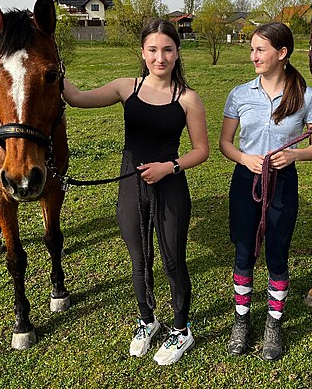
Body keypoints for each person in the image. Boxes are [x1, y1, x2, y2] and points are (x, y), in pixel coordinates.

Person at [62, 19, 209, 366]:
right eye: (153, 50)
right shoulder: (126, 87)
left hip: (170, 186)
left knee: (173, 261)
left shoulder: (188, 99)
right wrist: (55, 67)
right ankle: (147, 321)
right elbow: (77, 98)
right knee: (139, 259)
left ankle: (181, 329)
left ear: (177, 53)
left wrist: (169, 167)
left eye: (167, 50)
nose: (160, 57)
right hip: (131, 186)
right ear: (142, 53)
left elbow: (201, 151)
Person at [219, 22, 312, 361]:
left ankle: (273, 325)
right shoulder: (240, 94)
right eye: (252, 49)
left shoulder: (307, 97)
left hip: (283, 184)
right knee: (244, 253)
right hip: (245, 181)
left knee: (277, 255)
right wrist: (244, 158)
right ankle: (241, 321)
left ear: (282, 53)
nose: (253, 56)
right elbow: (225, 143)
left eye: (260, 50)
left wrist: (296, 154)